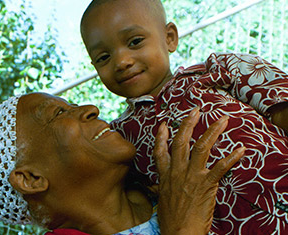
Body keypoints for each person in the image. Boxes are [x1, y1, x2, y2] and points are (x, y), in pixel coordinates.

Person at [80, 0, 288, 234]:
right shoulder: (119, 139)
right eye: (103, 57)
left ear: (170, 37)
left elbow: (280, 106)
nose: (121, 62)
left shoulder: (218, 70)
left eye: (135, 42)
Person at [0, 92, 244, 235]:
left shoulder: (168, 181)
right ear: (30, 178)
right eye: (58, 114)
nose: (91, 108)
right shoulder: (183, 202)